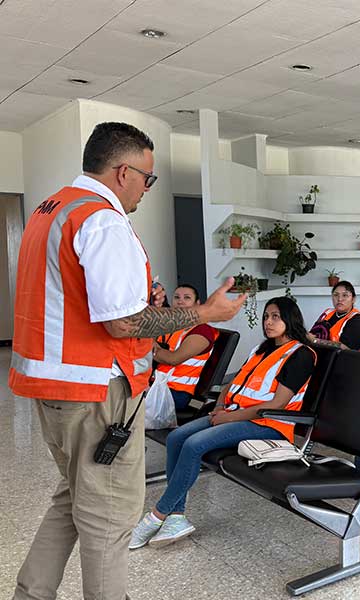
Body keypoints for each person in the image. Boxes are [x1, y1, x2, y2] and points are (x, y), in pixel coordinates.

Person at [10, 122, 245, 600]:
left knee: (73, 498)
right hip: (97, 393)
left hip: (57, 389)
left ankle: (30, 593)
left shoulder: (49, 210)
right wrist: (204, 312)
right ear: (122, 172)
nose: (146, 188)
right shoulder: (101, 219)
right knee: (111, 519)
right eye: (147, 177)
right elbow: (122, 324)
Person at [129, 297, 316, 548]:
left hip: (269, 425)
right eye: (266, 316)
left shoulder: (301, 354)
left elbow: (276, 405)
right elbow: (233, 382)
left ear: (290, 319)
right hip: (235, 414)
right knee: (176, 438)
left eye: (276, 317)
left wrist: (227, 417)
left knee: (194, 444)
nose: (268, 322)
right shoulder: (262, 349)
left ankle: (157, 515)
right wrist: (219, 407)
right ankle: (177, 517)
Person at [153, 284, 219, 409]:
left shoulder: (202, 331)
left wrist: (147, 344)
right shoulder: (172, 327)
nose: (180, 301)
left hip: (175, 392)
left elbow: (173, 359)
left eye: (187, 298)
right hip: (157, 385)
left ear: (197, 304)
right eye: (177, 297)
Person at [309, 281, 360, 351]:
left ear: (353, 299)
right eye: (336, 295)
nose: (339, 299)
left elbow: (345, 348)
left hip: (345, 359)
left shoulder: (358, 321)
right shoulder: (327, 312)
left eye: (345, 295)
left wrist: (315, 341)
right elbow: (313, 333)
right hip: (322, 354)